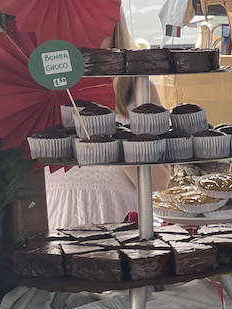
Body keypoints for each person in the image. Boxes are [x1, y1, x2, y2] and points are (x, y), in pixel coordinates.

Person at [45, 18, 166, 227]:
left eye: (96, 24)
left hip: (120, 220)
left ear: (115, 27)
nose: (86, 37)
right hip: (59, 219)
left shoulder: (138, 90)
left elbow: (159, 181)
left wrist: (113, 140)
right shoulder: (45, 92)